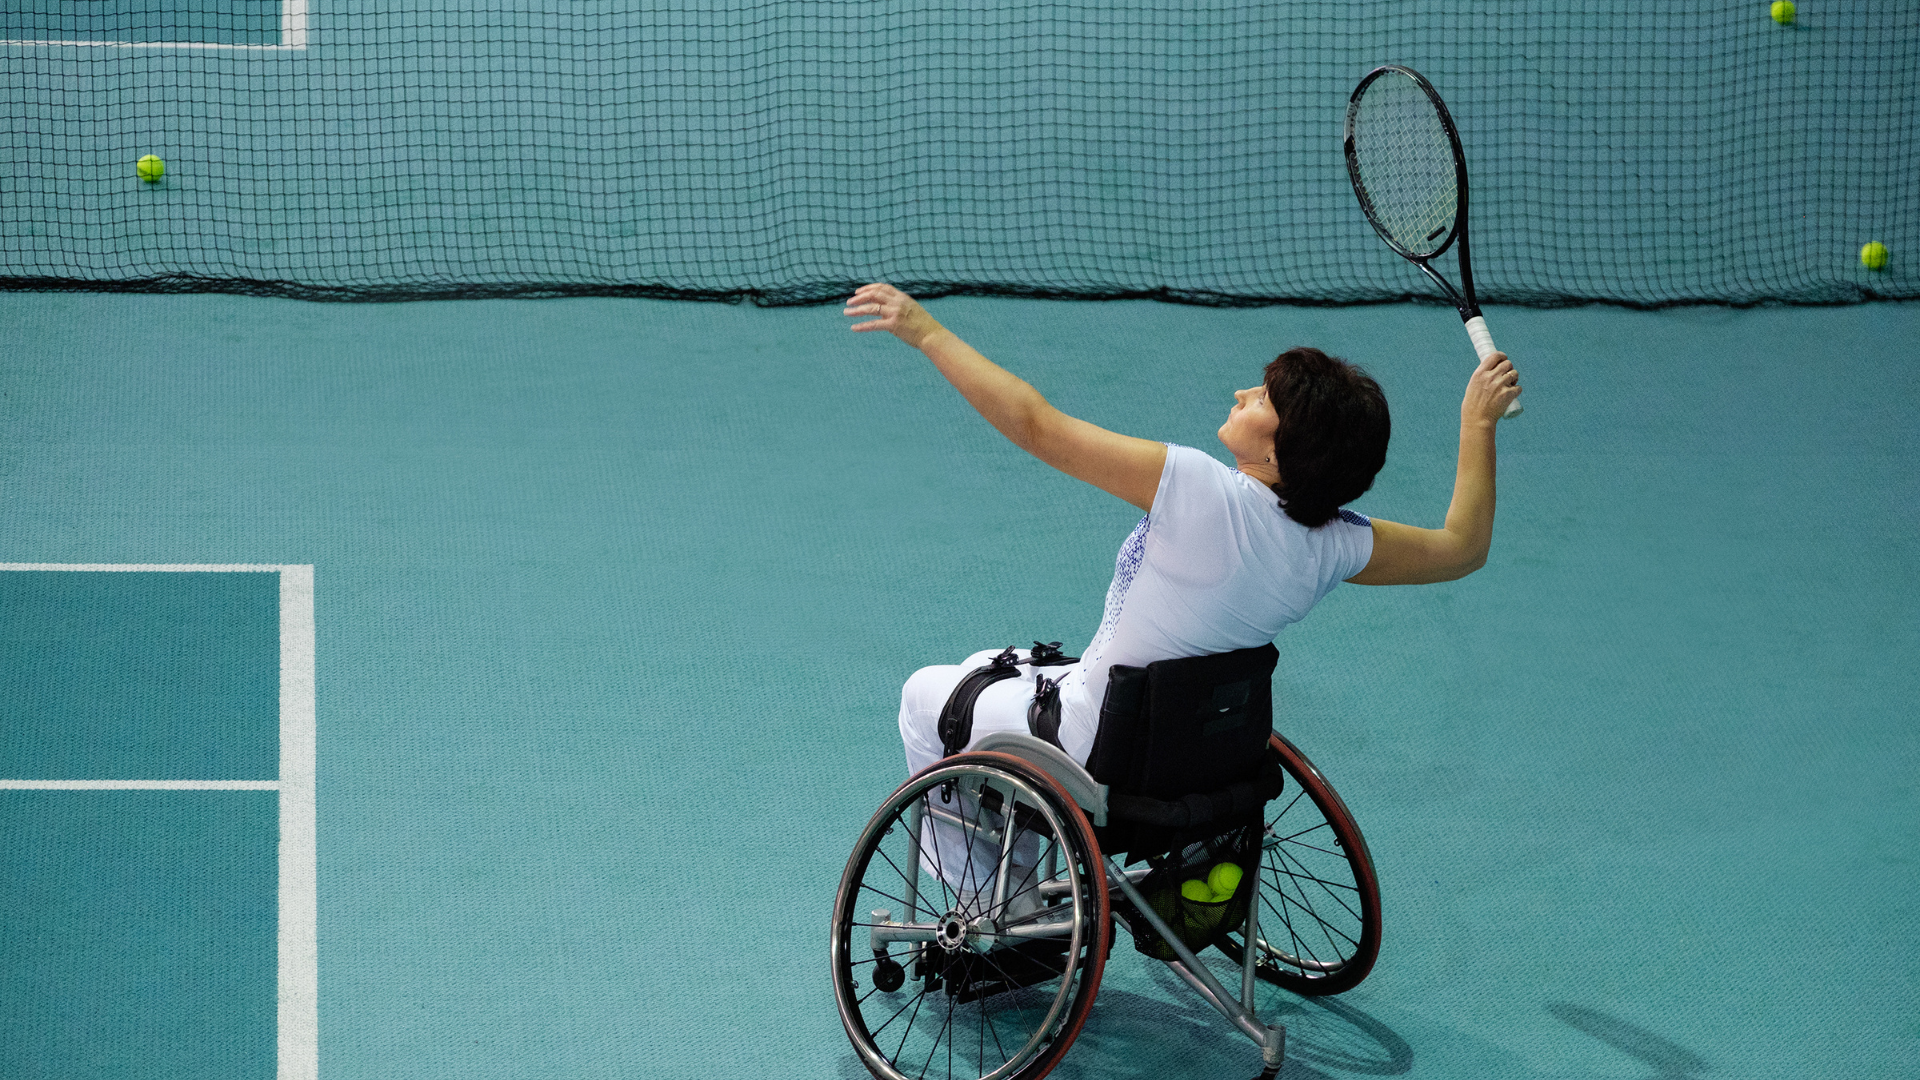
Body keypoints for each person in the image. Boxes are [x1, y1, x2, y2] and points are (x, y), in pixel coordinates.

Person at [843, 282, 1522, 789]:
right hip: (1196, 752)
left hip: (1094, 742)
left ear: (1284, 449)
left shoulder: (1198, 490)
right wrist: (1477, 424)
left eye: (1261, 398)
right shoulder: (1334, 545)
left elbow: (1036, 425)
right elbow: (1463, 547)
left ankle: (998, 901)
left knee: (926, 695)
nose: (1239, 394)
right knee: (988, 661)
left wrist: (928, 331)